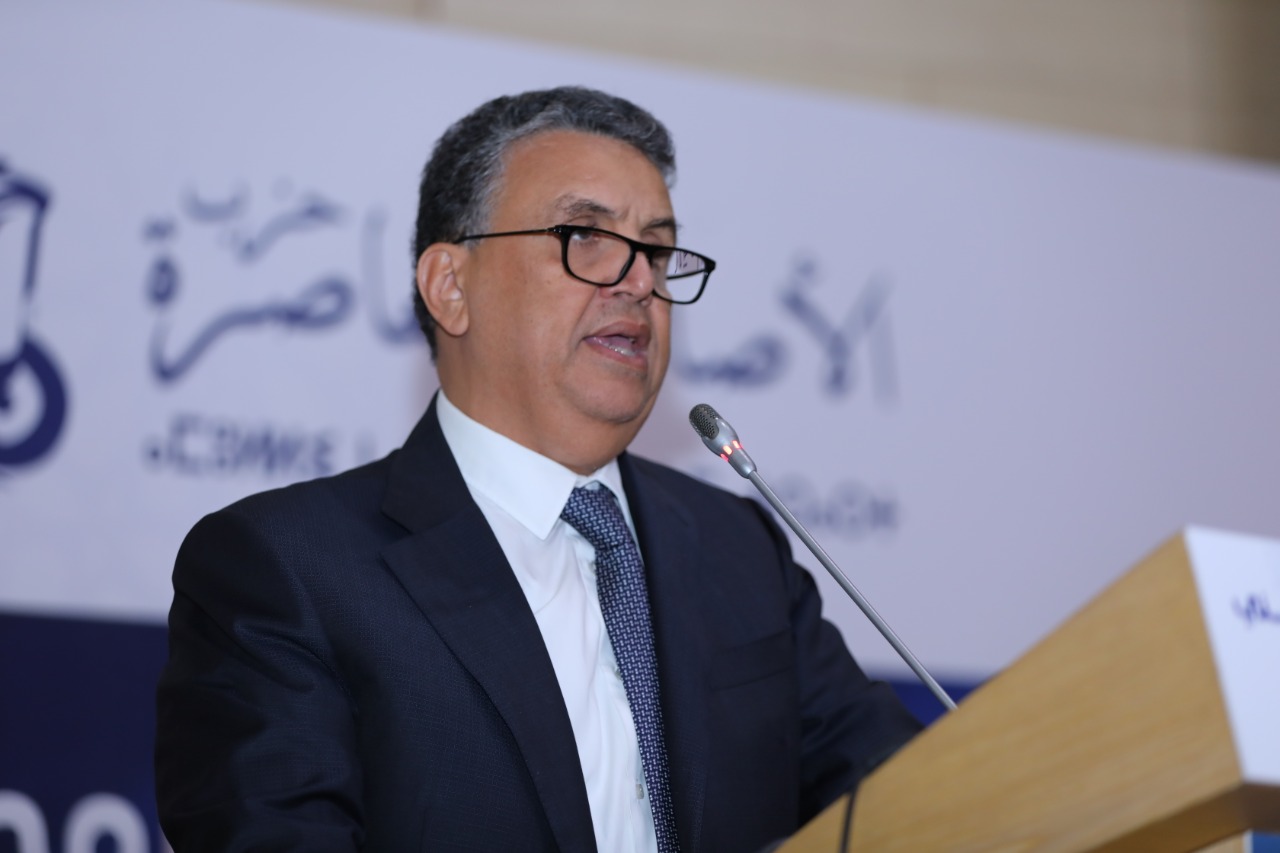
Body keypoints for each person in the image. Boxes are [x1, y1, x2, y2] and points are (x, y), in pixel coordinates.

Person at [154, 86, 921, 853]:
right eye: (585, 236)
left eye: (656, 250)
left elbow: (909, 797)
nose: (639, 282)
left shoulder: (739, 548)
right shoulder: (288, 570)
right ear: (451, 287)